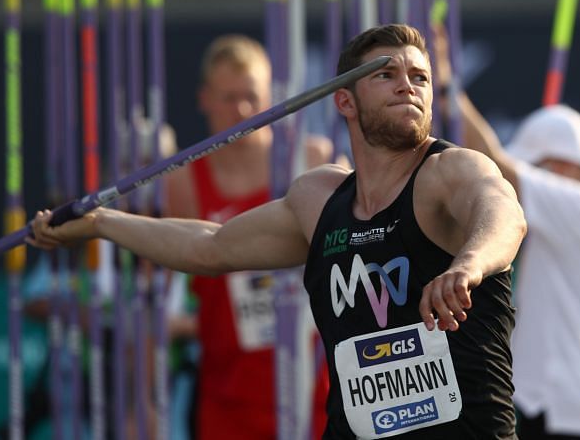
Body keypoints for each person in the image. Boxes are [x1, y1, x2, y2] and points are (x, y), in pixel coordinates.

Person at [30, 23, 527, 439]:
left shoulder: (448, 171)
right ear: (345, 103)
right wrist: (101, 223)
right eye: (386, 74)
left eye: (420, 76)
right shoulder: (319, 200)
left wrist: (469, 263)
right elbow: (210, 247)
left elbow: (503, 212)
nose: (408, 85)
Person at [162, 34, 332, 440]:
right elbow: (170, 287)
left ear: (270, 95)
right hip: (227, 391)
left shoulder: (312, 159)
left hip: (314, 382)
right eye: (227, 97)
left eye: (251, 96)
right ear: (204, 99)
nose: (241, 110)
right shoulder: (182, 181)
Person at [455, 91, 580, 439]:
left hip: (573, 417)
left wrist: (448, 88)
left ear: (566, 167)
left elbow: (494, 166)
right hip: (555, 411)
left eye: (535, 167)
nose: (519, 185)